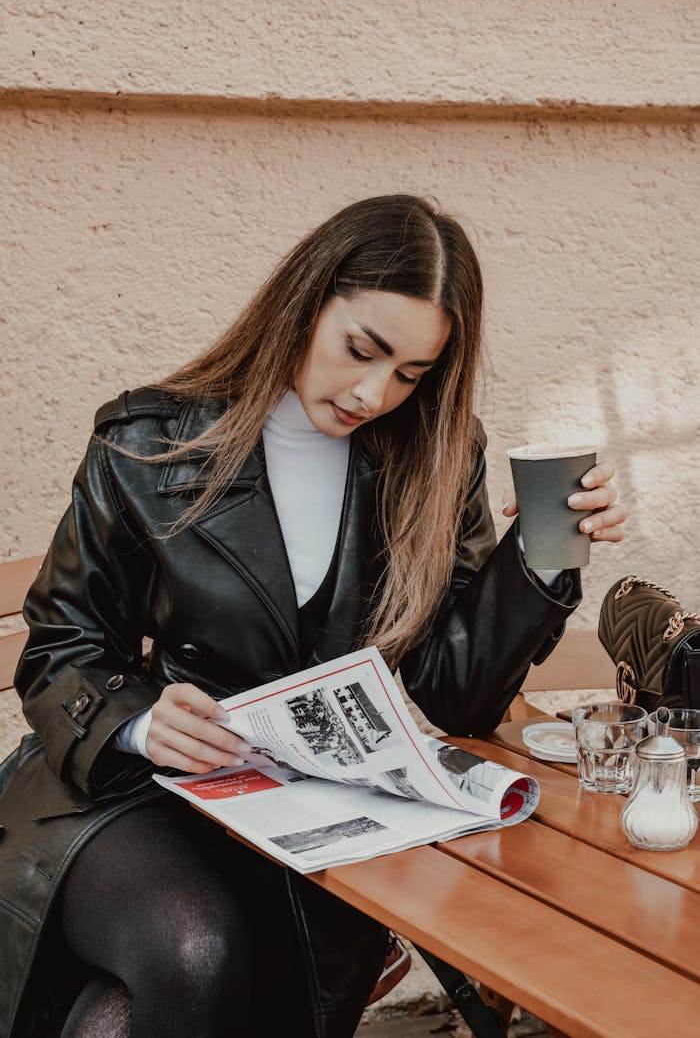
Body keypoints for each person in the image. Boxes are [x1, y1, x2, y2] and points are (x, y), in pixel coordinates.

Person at [0, 194, 626, 1038]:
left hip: (321, 811)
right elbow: (61, 647)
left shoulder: (438, 460)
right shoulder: (148, 441)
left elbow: (452, 699)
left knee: (129, 1012)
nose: (374, 392)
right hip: (138, 792)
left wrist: (541, 561)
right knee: (193, 951)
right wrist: (140, 724)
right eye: (361, 350)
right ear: (305, 304)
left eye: (411, 374)